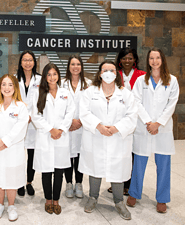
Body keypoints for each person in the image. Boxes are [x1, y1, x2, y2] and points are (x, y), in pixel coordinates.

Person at [79, 60, 137, 220]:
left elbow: (132, 115)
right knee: (94, 167)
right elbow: (84, 113)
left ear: (117, 74)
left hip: (118, 138)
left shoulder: (126, 94)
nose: (109, 73)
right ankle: (93, 197)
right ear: (99, 73)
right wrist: (99, 126)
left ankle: (119, 202)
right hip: (96, 136)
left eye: (112, 70)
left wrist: (116, 128)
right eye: (105, 70)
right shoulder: (90, 92)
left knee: (117, 169)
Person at [127, 48, 179, 214]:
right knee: (139, 164)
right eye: (151, 58)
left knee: (163, 165)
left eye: (157, 58)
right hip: (144, 127)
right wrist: (149, 122)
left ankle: (162, 199)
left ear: (162, 60)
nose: (154, 61)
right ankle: (134, 193)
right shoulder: (141, 81)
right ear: (148, 60)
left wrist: (158, 123)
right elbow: (136, 102)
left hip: (162, 130)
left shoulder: (172, 80)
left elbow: (171, 104)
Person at [0, 74, 29, 222]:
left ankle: (11, 206)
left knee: (11, 178)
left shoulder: (21, 106)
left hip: (12, 149)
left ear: (15, 87)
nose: (7, 88)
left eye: (10, 85)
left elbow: (20, 128)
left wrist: (5, 141)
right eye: (4, 84)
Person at [31, 63, 75, 214]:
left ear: (59, 75)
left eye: (54, 74)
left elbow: (70, 113)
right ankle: (48, 200)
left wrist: (61, 129)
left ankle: (56, 199)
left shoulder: (65, 93)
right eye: (48, 74)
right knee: (46, 171)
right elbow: (36, 116)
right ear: (44, 77)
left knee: (59, 171)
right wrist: (51, 129)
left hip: (61, 137)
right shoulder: (39, 93)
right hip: (46, 136)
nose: (52, 77)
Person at [107, 48, 146, 195]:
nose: (127, 61)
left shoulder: (143, 75)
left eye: (130, 58)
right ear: (120, 60)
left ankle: (130, 185)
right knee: (118, 154)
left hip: (138, 120)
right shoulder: (114, 75)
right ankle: (117, 184)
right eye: (124, 58)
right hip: (118, 121)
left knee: (134, 155)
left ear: (135, 60)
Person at [60, 55, 91, 199]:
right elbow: (59, 106)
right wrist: (69, 121)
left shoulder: (89, 84)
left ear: (81, 67)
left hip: (82, 126)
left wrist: (80, 121)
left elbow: (91, 107)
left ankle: (79, 183)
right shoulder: (61, 83)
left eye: (78, 64)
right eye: (72, 64)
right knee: (67, 154)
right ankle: (68, 183)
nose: (75, 67)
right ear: (68, 66)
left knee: (79, 155)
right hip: (67, 125)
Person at [16, 50, 41, 196]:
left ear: (34, 62)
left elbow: (42, 100)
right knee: (19, 153)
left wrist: (32, 115)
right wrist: (23, 115)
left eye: (30, 60)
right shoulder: (14, 79)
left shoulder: (40, 79)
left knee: (32, 154)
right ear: (21, 62)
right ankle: (19, 182)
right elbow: (12, 99)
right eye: (25, 60)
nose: (27, 62)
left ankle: (29, 182)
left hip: (34, 122)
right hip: (18, 120)